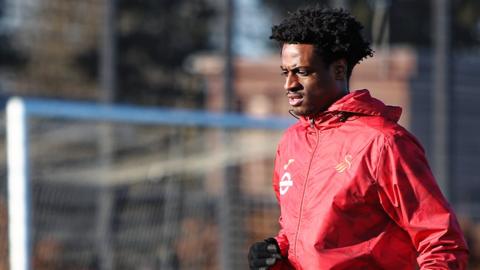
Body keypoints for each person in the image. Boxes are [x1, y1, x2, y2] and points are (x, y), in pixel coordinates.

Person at [247, 6, 469, 270]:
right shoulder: (291, 142)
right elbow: (305, 236)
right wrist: (276, 254)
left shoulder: (384, 143)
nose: (289, 84)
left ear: (339, 70)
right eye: (286, 72)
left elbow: (441, 241)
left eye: (302, 72)